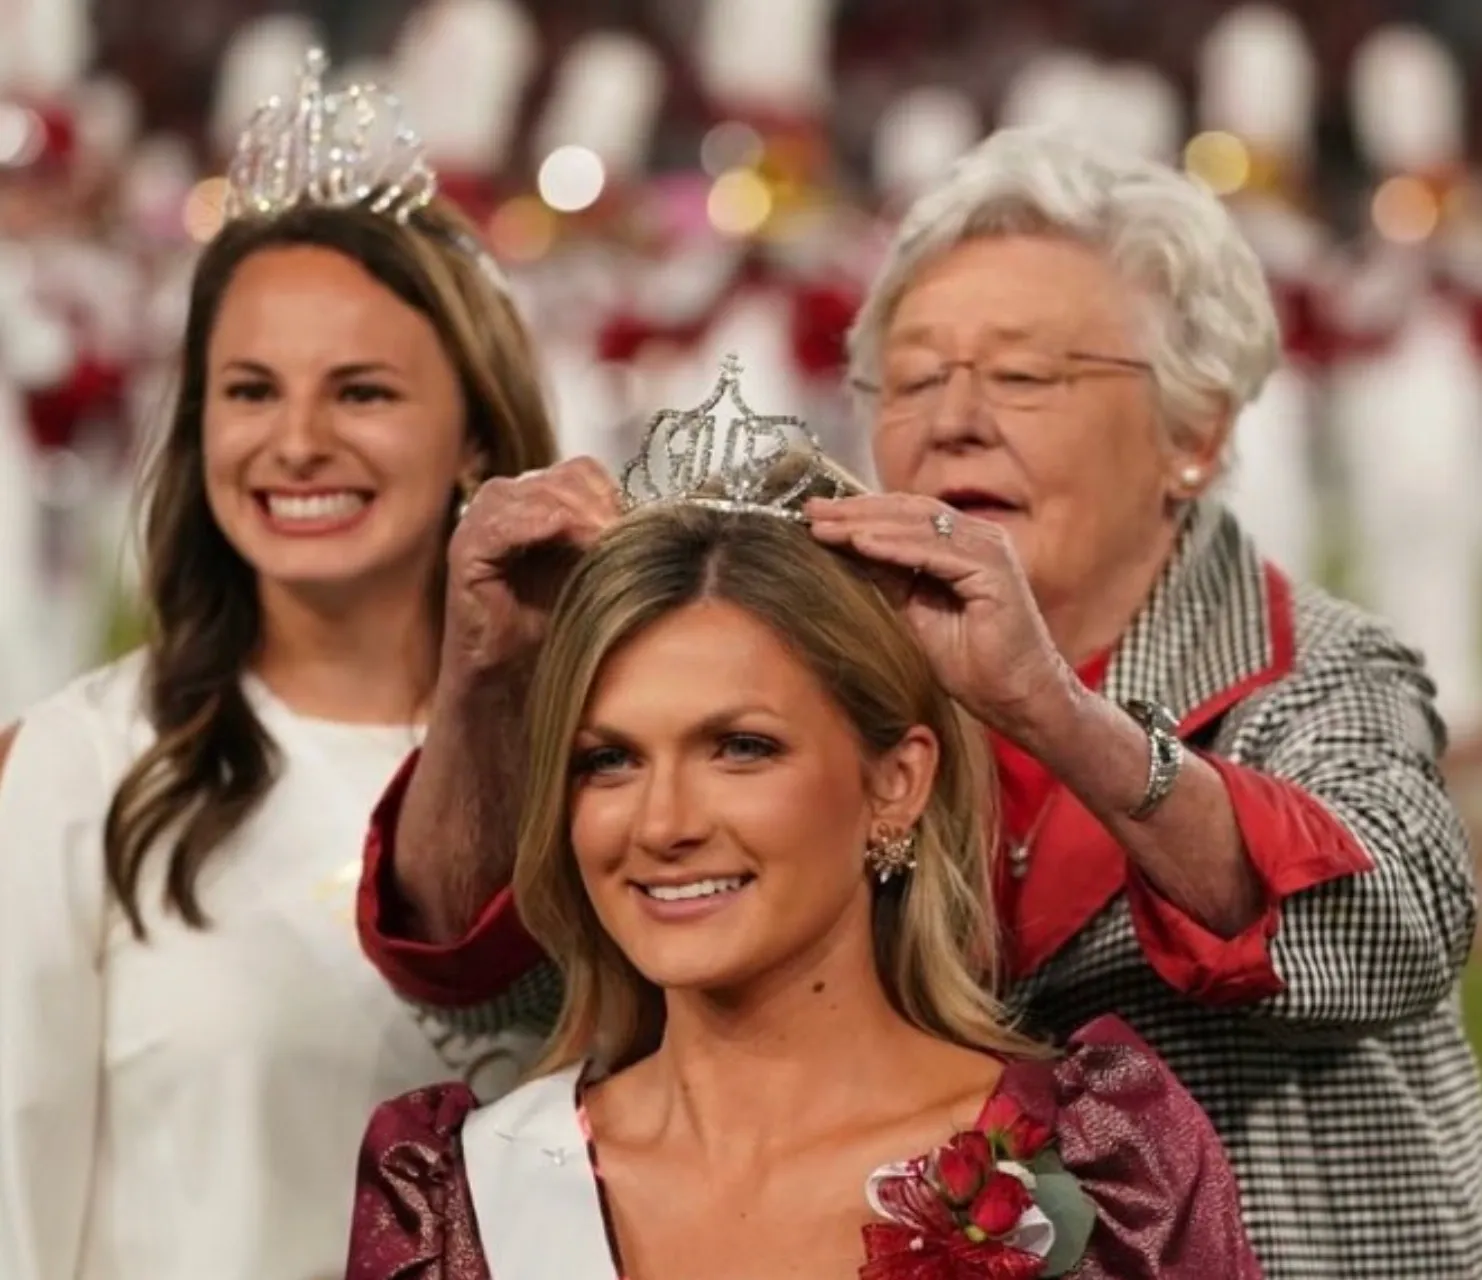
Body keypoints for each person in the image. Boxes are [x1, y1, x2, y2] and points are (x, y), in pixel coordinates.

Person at [356, 130, 1482, 1277]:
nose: (953, 418)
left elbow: (1395, 931)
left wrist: (1049, 709)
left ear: (1194, 436)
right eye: (914, 376)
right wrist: (484, 674)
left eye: (1024, 376)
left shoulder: (1315, 671)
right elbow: (491, 975)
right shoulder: (809, 669)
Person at [346, 408, 1263, 1278]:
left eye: (741, 748)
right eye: (609, 760)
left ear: (895, 784)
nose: (664, 824)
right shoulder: (457, 1195)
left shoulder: (1105, 1168)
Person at [0, 51, 556, 1280]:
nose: (297, 441)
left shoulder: (591, 761)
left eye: (361, 391)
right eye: (249, 390)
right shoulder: (86, 765)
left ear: (471, 429)